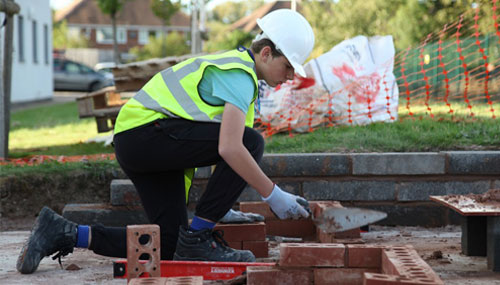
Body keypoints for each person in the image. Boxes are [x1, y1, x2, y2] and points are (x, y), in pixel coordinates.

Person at [17, 9, 315, 274]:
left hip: (143, 142)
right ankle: (199, 238)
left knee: (170, 244)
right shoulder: (240, 74)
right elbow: (231, 147)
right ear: (266, 53)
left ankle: (64, 232)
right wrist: (272, 195)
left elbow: (220, 150)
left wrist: (220, 206)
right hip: (145, 135)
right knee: (251, 143)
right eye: (288, 66)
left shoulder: (238, 74)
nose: (290, 76)